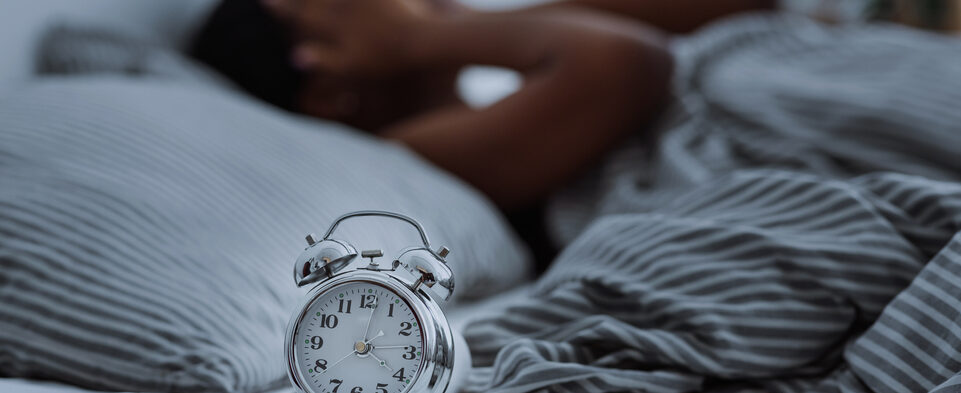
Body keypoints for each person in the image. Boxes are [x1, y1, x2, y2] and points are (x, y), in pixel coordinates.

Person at [192, 0, 774, 210]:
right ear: (323, 85)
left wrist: (459, 24)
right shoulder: (403, 156)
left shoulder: (492, 71)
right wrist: (418, 38)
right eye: (328, 8)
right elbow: (631, 63)